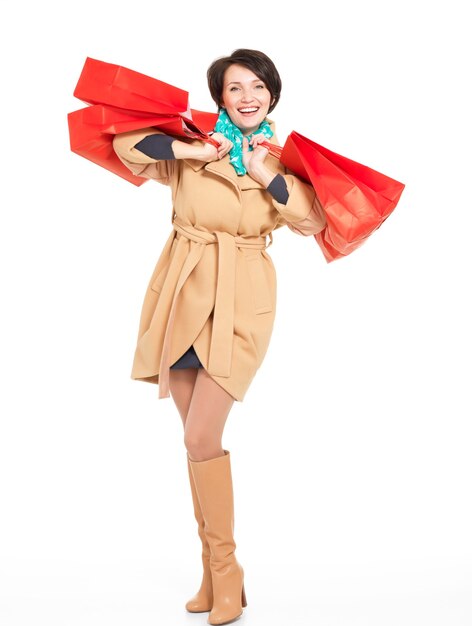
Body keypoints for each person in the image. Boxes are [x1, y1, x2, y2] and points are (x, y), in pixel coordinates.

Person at [112, 49, 326, 625]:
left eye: (258, 86)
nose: (248, 96)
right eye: (235, 88)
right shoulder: (197, 147)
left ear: (272, 95)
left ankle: (227, 570)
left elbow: (313, 220)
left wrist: (267, 176)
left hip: (243, 299)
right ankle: (212, 572)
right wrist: (193, 149)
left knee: (203, 432)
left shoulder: (281, 159)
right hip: (183, 290)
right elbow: (124, 145)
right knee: (194, 440)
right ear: (220, 99)